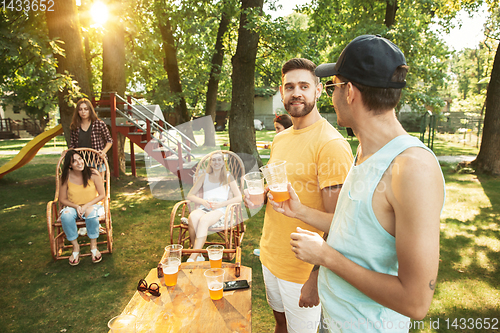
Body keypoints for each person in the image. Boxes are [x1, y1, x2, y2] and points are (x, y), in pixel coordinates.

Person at [273, 35, 445, 332]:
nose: (331, 96)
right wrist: (300, 211)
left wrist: (326, 257)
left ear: (349, 91)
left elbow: (416, 302)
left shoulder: (412, 167)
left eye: (332, 86)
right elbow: (353, 230)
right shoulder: (365, 152)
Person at [246, 58, 354, 333]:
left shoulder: (330, 145)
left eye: (304, 86)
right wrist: (262, 195)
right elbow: (285, 189)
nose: (296, 92)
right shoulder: (280, 139)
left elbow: (339, 223)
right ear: (281, 92)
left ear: (318, 90)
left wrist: (315, 278)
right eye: (290, 86)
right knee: (279, 323)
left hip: (302, 269)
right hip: (271, 256)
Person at [185, 152, 242, 262]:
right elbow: (190, 195)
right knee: (192, 217)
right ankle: (198, 253)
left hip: (220, 208)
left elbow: (239, 197)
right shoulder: (204, 177)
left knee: (204, 220)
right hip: (205, 206)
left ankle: (192, 257)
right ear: (210, 163)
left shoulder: (228, 177)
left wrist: (221, 204)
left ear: (223, 163)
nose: (216, 162)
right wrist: (203, 201)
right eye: (214, 160)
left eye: (219, 160)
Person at [59, 149, 106, 266]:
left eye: (80, 159)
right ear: (70, 165)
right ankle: (75, 247)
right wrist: (76, 206)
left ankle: (94, 246)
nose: (79, 162)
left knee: (90, 212)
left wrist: (85, 206)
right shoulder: (66, 177)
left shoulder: (93, 173)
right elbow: (62, 199)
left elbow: (102, 195)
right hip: (73, 206)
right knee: (66, 215)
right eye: (74, 161)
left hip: (92, 205)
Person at [68, 98, 113, 167]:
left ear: (90, 110)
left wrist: (103, 152)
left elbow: (109, 140)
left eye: (86, 109)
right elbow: (73, 145)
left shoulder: (99, 124)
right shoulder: (75, 126)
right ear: (77, 111)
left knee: (99, 178)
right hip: (81, 163)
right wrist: (67, 152)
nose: (83, 112)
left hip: (98, 161)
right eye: (80, 109)